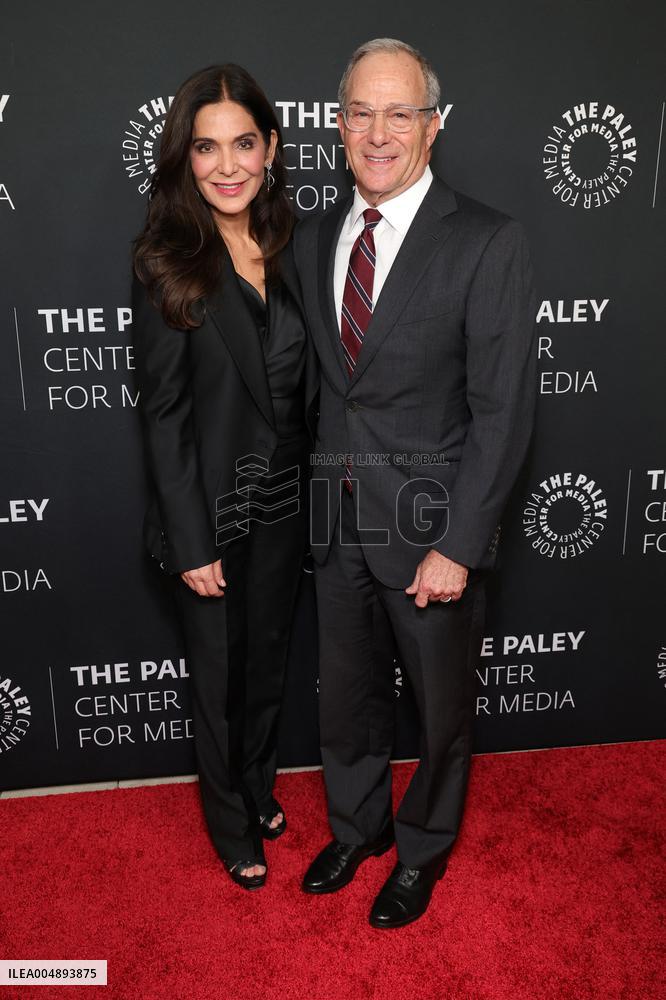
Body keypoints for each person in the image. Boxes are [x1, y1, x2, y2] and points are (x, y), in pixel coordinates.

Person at [295, 38, 536, 927]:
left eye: (400, 113)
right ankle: (357, 828)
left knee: (438, 713)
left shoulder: (486, 241)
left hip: (432, 529)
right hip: (335, 521)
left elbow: (503, 411)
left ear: (433, 126)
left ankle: (423, 849)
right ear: (340, 125)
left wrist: (459, 545)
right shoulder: (316, 236)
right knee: (348, 697)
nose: (378, 132)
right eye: (361, 112)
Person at [132, 64, 317, 890]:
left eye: (244, 142)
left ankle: (257, 784)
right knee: (218, 670)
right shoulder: (167, 261)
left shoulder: (295, 242)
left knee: (269, 655)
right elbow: (164, 416)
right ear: (185, 158)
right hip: (209, 510)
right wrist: (189, 536)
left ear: (272, 147)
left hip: (284, 500)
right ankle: (229, 818)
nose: (228, 165)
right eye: (206, 148)